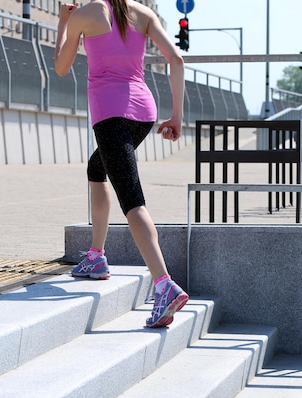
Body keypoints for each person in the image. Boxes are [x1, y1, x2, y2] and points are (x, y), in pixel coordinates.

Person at [55, 0, 188, 328]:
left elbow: (60, 66)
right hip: (143, 113)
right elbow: (177, 58)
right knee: (97, 168)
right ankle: (96, 256)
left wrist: (62, 23)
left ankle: (163, 285)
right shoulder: (143, 14)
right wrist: (177, 117)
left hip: (111, 116)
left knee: (133, 201)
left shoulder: (84, 15)